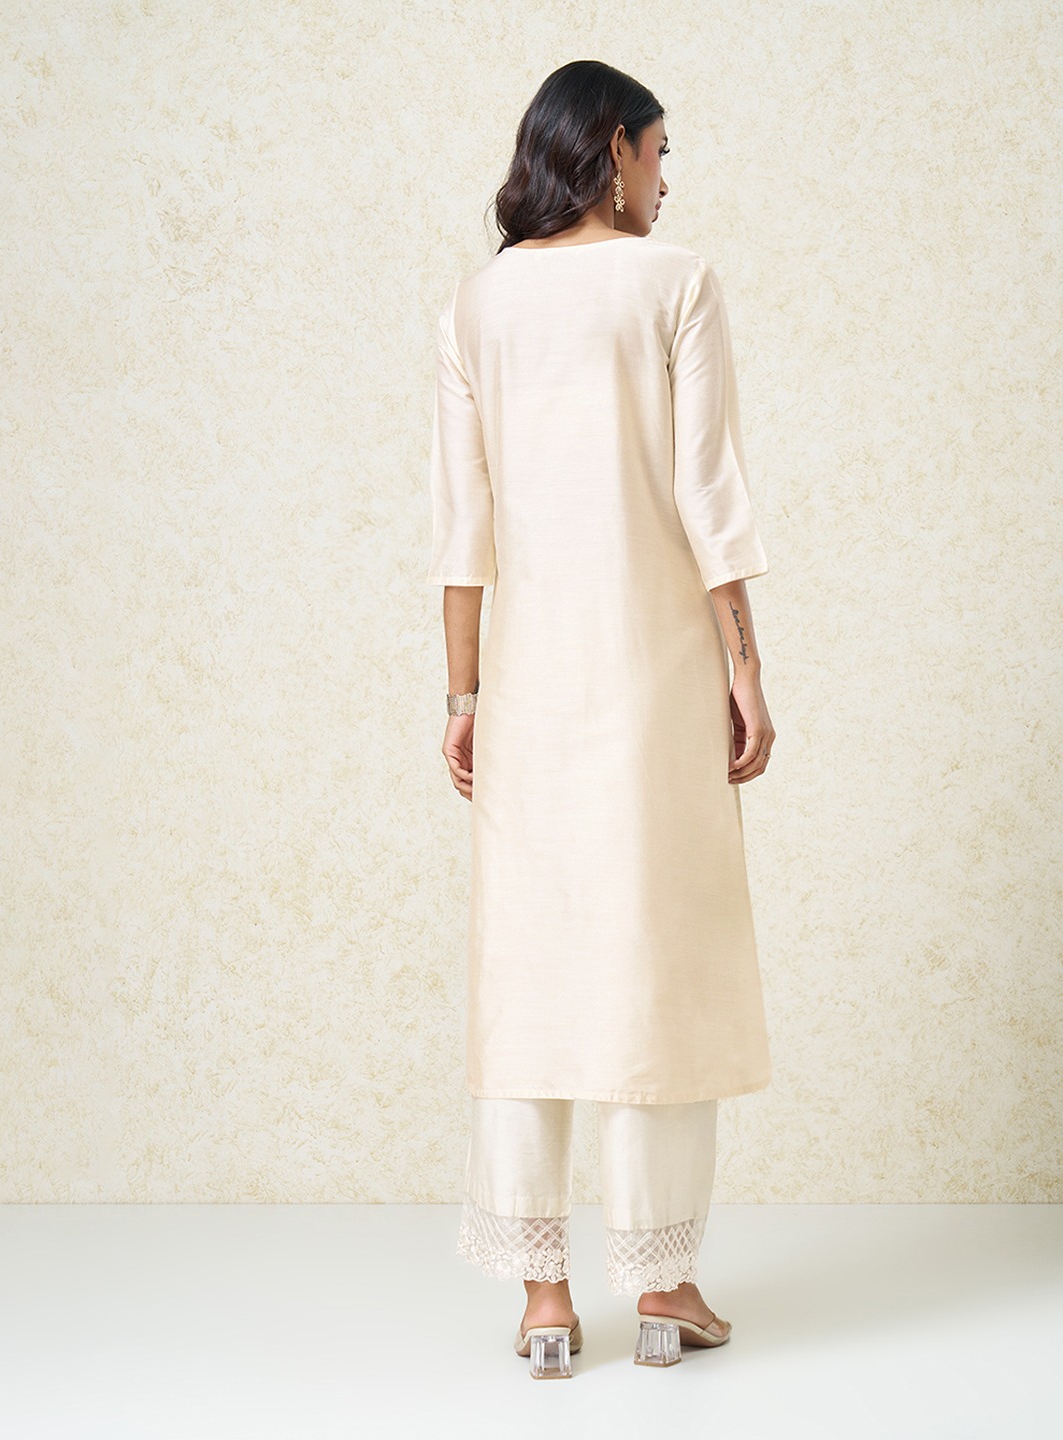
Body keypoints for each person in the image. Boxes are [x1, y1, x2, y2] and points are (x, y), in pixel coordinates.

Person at [425, 60, 776, 1377]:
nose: (666, 180)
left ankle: (545, 1302)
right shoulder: (674, 281)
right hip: (657, 680)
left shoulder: (477, 306)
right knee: (654, 961)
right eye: (660, 152)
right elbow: (710, 499)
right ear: (614, 148)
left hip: (529, 688)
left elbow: (461, 530)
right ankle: (665, 1288)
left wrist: (463, 697)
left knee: (528, 969)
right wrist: (747, 670)